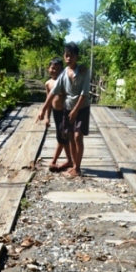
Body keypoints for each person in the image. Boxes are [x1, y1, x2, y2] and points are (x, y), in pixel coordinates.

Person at [38, 42, 91, 178]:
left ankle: (77, 168)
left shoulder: (84, 71)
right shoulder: (63, 74)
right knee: (71, 138)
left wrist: (75, 111)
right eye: (66, 56)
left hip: (81, 108)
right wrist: (43, 110)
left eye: (71, 56)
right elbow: (53, 93)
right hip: (67, 108)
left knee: (78, 137)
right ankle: (73, 165)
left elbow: (84, 94)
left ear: (76, 57)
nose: (68, 58)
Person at [45, 57, 72, 172]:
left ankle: (54, 161)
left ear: (62, 70)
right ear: (48, 69)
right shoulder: (48, 84)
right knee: (63, 138)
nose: (54, 71)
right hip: (56, 114)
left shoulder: (64, 82)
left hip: (65, 113)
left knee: (61, 138)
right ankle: (69, 160)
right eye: (53, 68)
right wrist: (47, 117)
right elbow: (48, 101)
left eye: (58, 69)